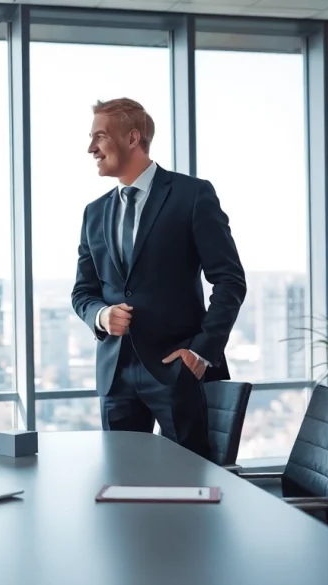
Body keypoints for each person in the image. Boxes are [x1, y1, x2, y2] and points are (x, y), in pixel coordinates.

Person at [71, 98, 246, 458]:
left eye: (100, 137)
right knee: (120, 487)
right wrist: (102, 316)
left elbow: (230, 280)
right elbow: (83, 292)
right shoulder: (94, 213)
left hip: (177, 373)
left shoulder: (192, 196)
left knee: (190, 487)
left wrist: (201, 350)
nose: (91, 148)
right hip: (115, 374)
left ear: (133, 138)